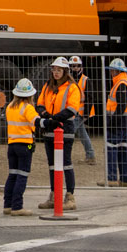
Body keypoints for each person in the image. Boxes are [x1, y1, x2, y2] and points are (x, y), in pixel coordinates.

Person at [36, 57, 82, 210]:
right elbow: (40, 104)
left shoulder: (72, 87)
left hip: (65, 128)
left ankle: (70, 196)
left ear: (65, 71)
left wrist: (55, 118)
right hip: (50, 128)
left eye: (59, 70)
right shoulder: (47, 86)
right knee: (52, 165)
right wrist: (47, 116)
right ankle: (54, 196)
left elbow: (72, 108)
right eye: (54, 70)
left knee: (66, 163)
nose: (56, 73)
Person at [96, 58, 127, 187]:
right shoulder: (124, 82)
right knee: (123, 149)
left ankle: (111, 178)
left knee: (111, 148)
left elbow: (121, 105)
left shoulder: (121, 83)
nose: (111, 73)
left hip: (118, 121)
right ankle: (126, 179)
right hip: (124, 121)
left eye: (112, 71)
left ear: (116, 71)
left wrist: (112, 122)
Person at [2, 78, 39, 215]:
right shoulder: (27, 107)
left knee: (12, 175)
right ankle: (17, 207)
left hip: (12, 145)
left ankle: (8, 205)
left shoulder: (10, 106)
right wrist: (49, 123)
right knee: (22, 175)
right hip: (25, 146)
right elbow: (36, 122)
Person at [67, 56, 98, 166]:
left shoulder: (85, 80)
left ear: (81, 67)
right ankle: (90, 156)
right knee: (82, 133)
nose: (75, 68)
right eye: (73, 66)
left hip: (80, 112)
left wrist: (86, 114)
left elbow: (90, 97)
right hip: (72, 111)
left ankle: (62, 156)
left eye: (77, 66)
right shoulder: (68, 79)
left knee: (69, 133)